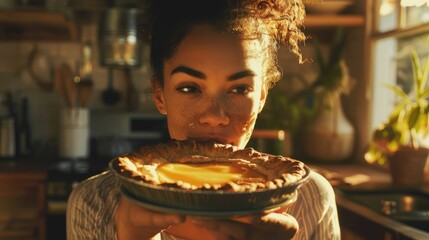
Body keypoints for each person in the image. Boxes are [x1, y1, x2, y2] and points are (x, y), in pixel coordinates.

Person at [67, 0, 341, 239]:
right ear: (160, 95)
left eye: (239, 89)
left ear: (261, 98)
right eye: (190, 88)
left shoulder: (309, 199)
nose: (214, 116)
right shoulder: (94, 203)